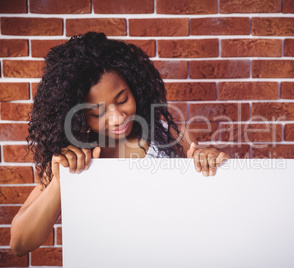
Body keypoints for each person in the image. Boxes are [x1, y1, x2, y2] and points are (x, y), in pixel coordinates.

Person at [10, 32, 230, 256]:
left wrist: (209, 161)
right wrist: (59, 183)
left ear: (134, 87)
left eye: (122, 99)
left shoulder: (170, 136)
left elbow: (217, 204)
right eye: (97, 112)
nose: (117, 118)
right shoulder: (73, 155)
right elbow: (19, 243)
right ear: (78, 116)